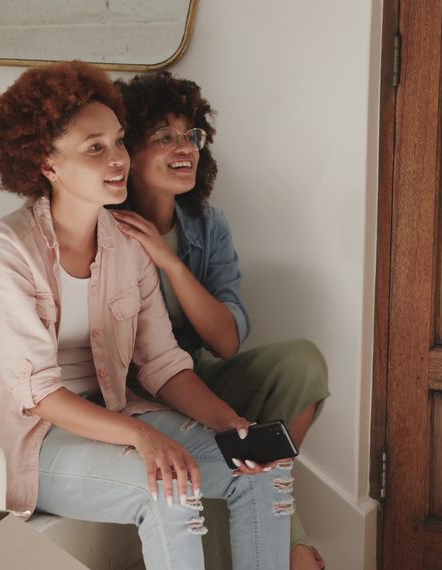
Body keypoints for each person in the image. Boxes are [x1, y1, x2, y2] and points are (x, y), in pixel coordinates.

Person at [0, 61, 292, 570]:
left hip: (117, 413)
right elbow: (37, 394)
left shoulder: (127, 242)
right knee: (168, 486)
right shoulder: (8, 249)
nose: (118, 158)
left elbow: (163, 364)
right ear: (46, 164)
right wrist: (144, 437)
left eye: (119, 142)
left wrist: (229, 423)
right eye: (95, 147)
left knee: (264, 468)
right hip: (33, 439)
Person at [113, 70, 330, 570]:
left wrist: (169, 262)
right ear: (128, 151)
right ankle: (291, 543)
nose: (184, 146)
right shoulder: (105, 228)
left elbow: (227, 341)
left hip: (195, 373)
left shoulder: (207, 226)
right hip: (137, 393)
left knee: (303, 364)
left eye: (190, 134)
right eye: (164, 136)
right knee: (214, 441)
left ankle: (275, 517)